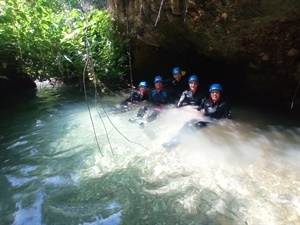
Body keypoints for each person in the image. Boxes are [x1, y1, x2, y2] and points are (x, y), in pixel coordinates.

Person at [162, 83, 231, 149]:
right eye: (213, 92)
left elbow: (227, 119)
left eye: (217, 92)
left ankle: (176, 142)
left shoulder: (224, 105)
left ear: (220, 94)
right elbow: (199, 108)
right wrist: (186, 109)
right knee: (188, 123)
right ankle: (175, 139)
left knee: (198, 124)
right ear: (210, 93)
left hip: (213, 122)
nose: (215, 94)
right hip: (205, 119)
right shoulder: (206, 101)